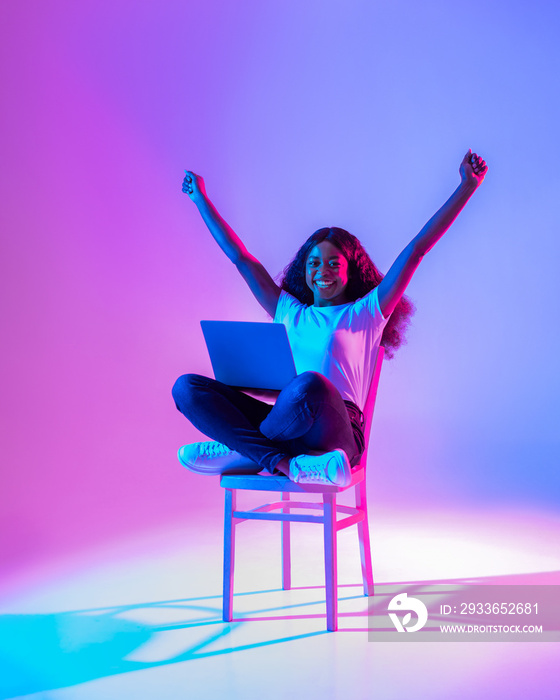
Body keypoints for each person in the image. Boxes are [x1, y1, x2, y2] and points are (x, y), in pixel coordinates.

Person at [172, 150, 488, 486]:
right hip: (284, 424)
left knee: (310, 385)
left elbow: (417, 250)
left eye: (333, 263)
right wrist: (200, 199)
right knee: (187, 389)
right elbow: (241, 259)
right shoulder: (289, 311)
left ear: (352, 270)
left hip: (336, 431)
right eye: (314, 263)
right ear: (303, 270)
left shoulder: (367, 312)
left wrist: (467, 186)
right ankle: (280, 461)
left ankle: (244, 450)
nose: (323, 271)